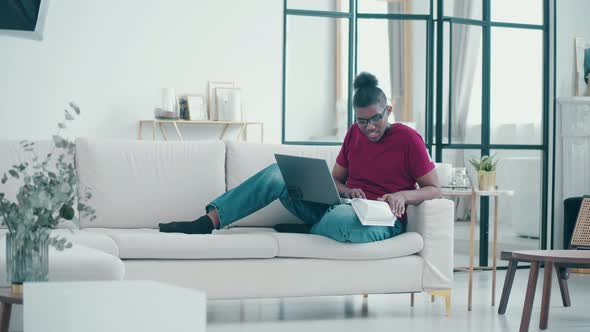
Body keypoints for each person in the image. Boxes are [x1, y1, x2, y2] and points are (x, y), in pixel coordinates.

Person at [159, 72, 442, 243]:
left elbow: (434, 188)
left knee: (342, 219)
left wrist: (403, 196)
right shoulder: (354, 135)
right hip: (342, 206)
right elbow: (336, 182)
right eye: (362, 121)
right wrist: (348, 191)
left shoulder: (408, 139)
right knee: (276, 174)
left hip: (378, 219)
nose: (369, 127)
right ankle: (207, 222)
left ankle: (312, 228)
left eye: (376, 119)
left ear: (388, 110)